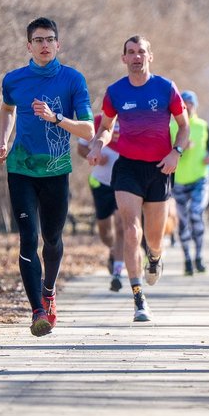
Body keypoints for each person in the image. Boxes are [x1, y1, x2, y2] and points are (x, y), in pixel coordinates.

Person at [0, 17, 94, 337]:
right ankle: (37, 310)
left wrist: (56, 117)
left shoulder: (73, 80)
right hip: (20, 169)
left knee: (52, 238)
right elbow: (7, 109)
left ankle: (48, 291)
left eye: (50, 39)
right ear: (29, 46)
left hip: (56, 171)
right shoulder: (14, 80)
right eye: (38, 40)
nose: (45, 45)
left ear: (58, 44)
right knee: (28, 237)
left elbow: (88, 130)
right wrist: (3, 140)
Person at [87, 35, 189, 322]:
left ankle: (154, 258)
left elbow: (183, 126)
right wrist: (98, 144)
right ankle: (138, 298)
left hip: (160, 168)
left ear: (149, 56)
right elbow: (106, 127)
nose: (136, 57)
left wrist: (176, 152)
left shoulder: (166, 88)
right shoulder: (115, 92)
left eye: (141, 52)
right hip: (128, 167)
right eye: (130, 52)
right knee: (131, 230)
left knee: (153, 239)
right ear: (124, 59)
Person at [77, 115, 126, 292]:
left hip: (125, 182)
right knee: (105, 231)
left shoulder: (133, 118)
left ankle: (117, 273)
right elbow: (81, 148)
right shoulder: (97, 122)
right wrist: (94, 156)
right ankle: (113, 250)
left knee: (121, 226)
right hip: (101, 183)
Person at [170, 90, 209, 275]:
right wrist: (180, 147)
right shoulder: (172, 126)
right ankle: (187, 259)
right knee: (183, 221)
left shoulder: (203, 126)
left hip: (200, 179)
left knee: (195, 214)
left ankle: (199, 256)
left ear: (195, 106)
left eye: (190, 103)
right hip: (179, 181)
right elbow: (164, 151)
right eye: (183, 103)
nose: (187, 107)